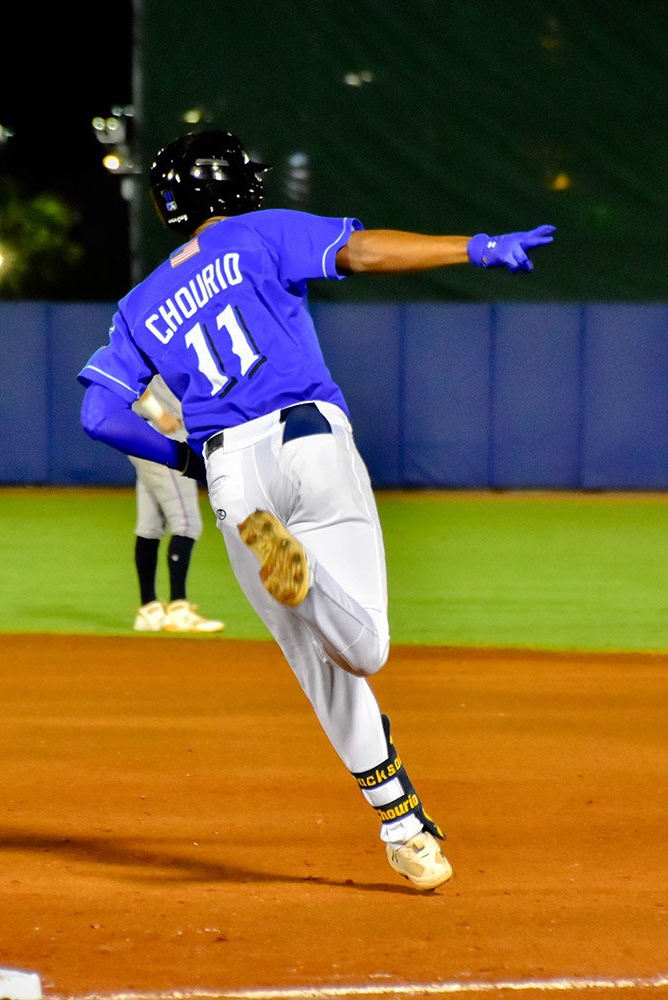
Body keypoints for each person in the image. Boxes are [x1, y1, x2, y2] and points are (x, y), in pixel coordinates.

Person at [77, 130, 555, 891]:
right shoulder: (259, 232)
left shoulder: (138, 308)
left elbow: (100, 415)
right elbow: (361, 252)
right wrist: (477, 245)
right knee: (362, 651)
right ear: (231, 188)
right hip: (309, 441)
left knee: (317, 663)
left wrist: (189, 460)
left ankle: (405, 831)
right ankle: (308, 585)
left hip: (233, 478)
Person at [128, 375, 225, 634]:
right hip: (163, 434)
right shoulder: (155, 337)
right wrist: (159, 413)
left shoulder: (136, 336)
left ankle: (149, 609)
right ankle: (179, 609)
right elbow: (131, 377)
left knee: (150, 525)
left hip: (145, 433)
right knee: (187, 523)